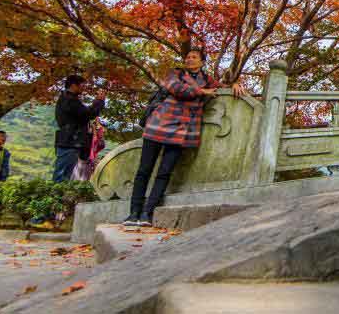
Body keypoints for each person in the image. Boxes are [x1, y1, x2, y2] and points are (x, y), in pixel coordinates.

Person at [123, 48, 231, 226]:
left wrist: (236, 85)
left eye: (194, 57)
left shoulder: (207, 79)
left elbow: (222, 88)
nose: (189, 59)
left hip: (182, 131)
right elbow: (178, 89)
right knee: (144, 170)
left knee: (164, 172)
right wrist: (201, 91)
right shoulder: (176, 73)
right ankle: (133, 213)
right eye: (188, 57)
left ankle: (147, 213)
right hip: (158, 125)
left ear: (202, 62)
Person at [53, 74, 106, 182]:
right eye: (82, 86)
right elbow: (87, 114)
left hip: (70, 140)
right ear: (73, 85)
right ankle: (56, 191)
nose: (83, 88)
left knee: (67, 173)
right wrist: (99, 102)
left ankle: (59, 191)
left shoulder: (67, 99)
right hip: (70, 140)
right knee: (63, 174)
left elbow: (85, 114)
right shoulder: (69, 100)